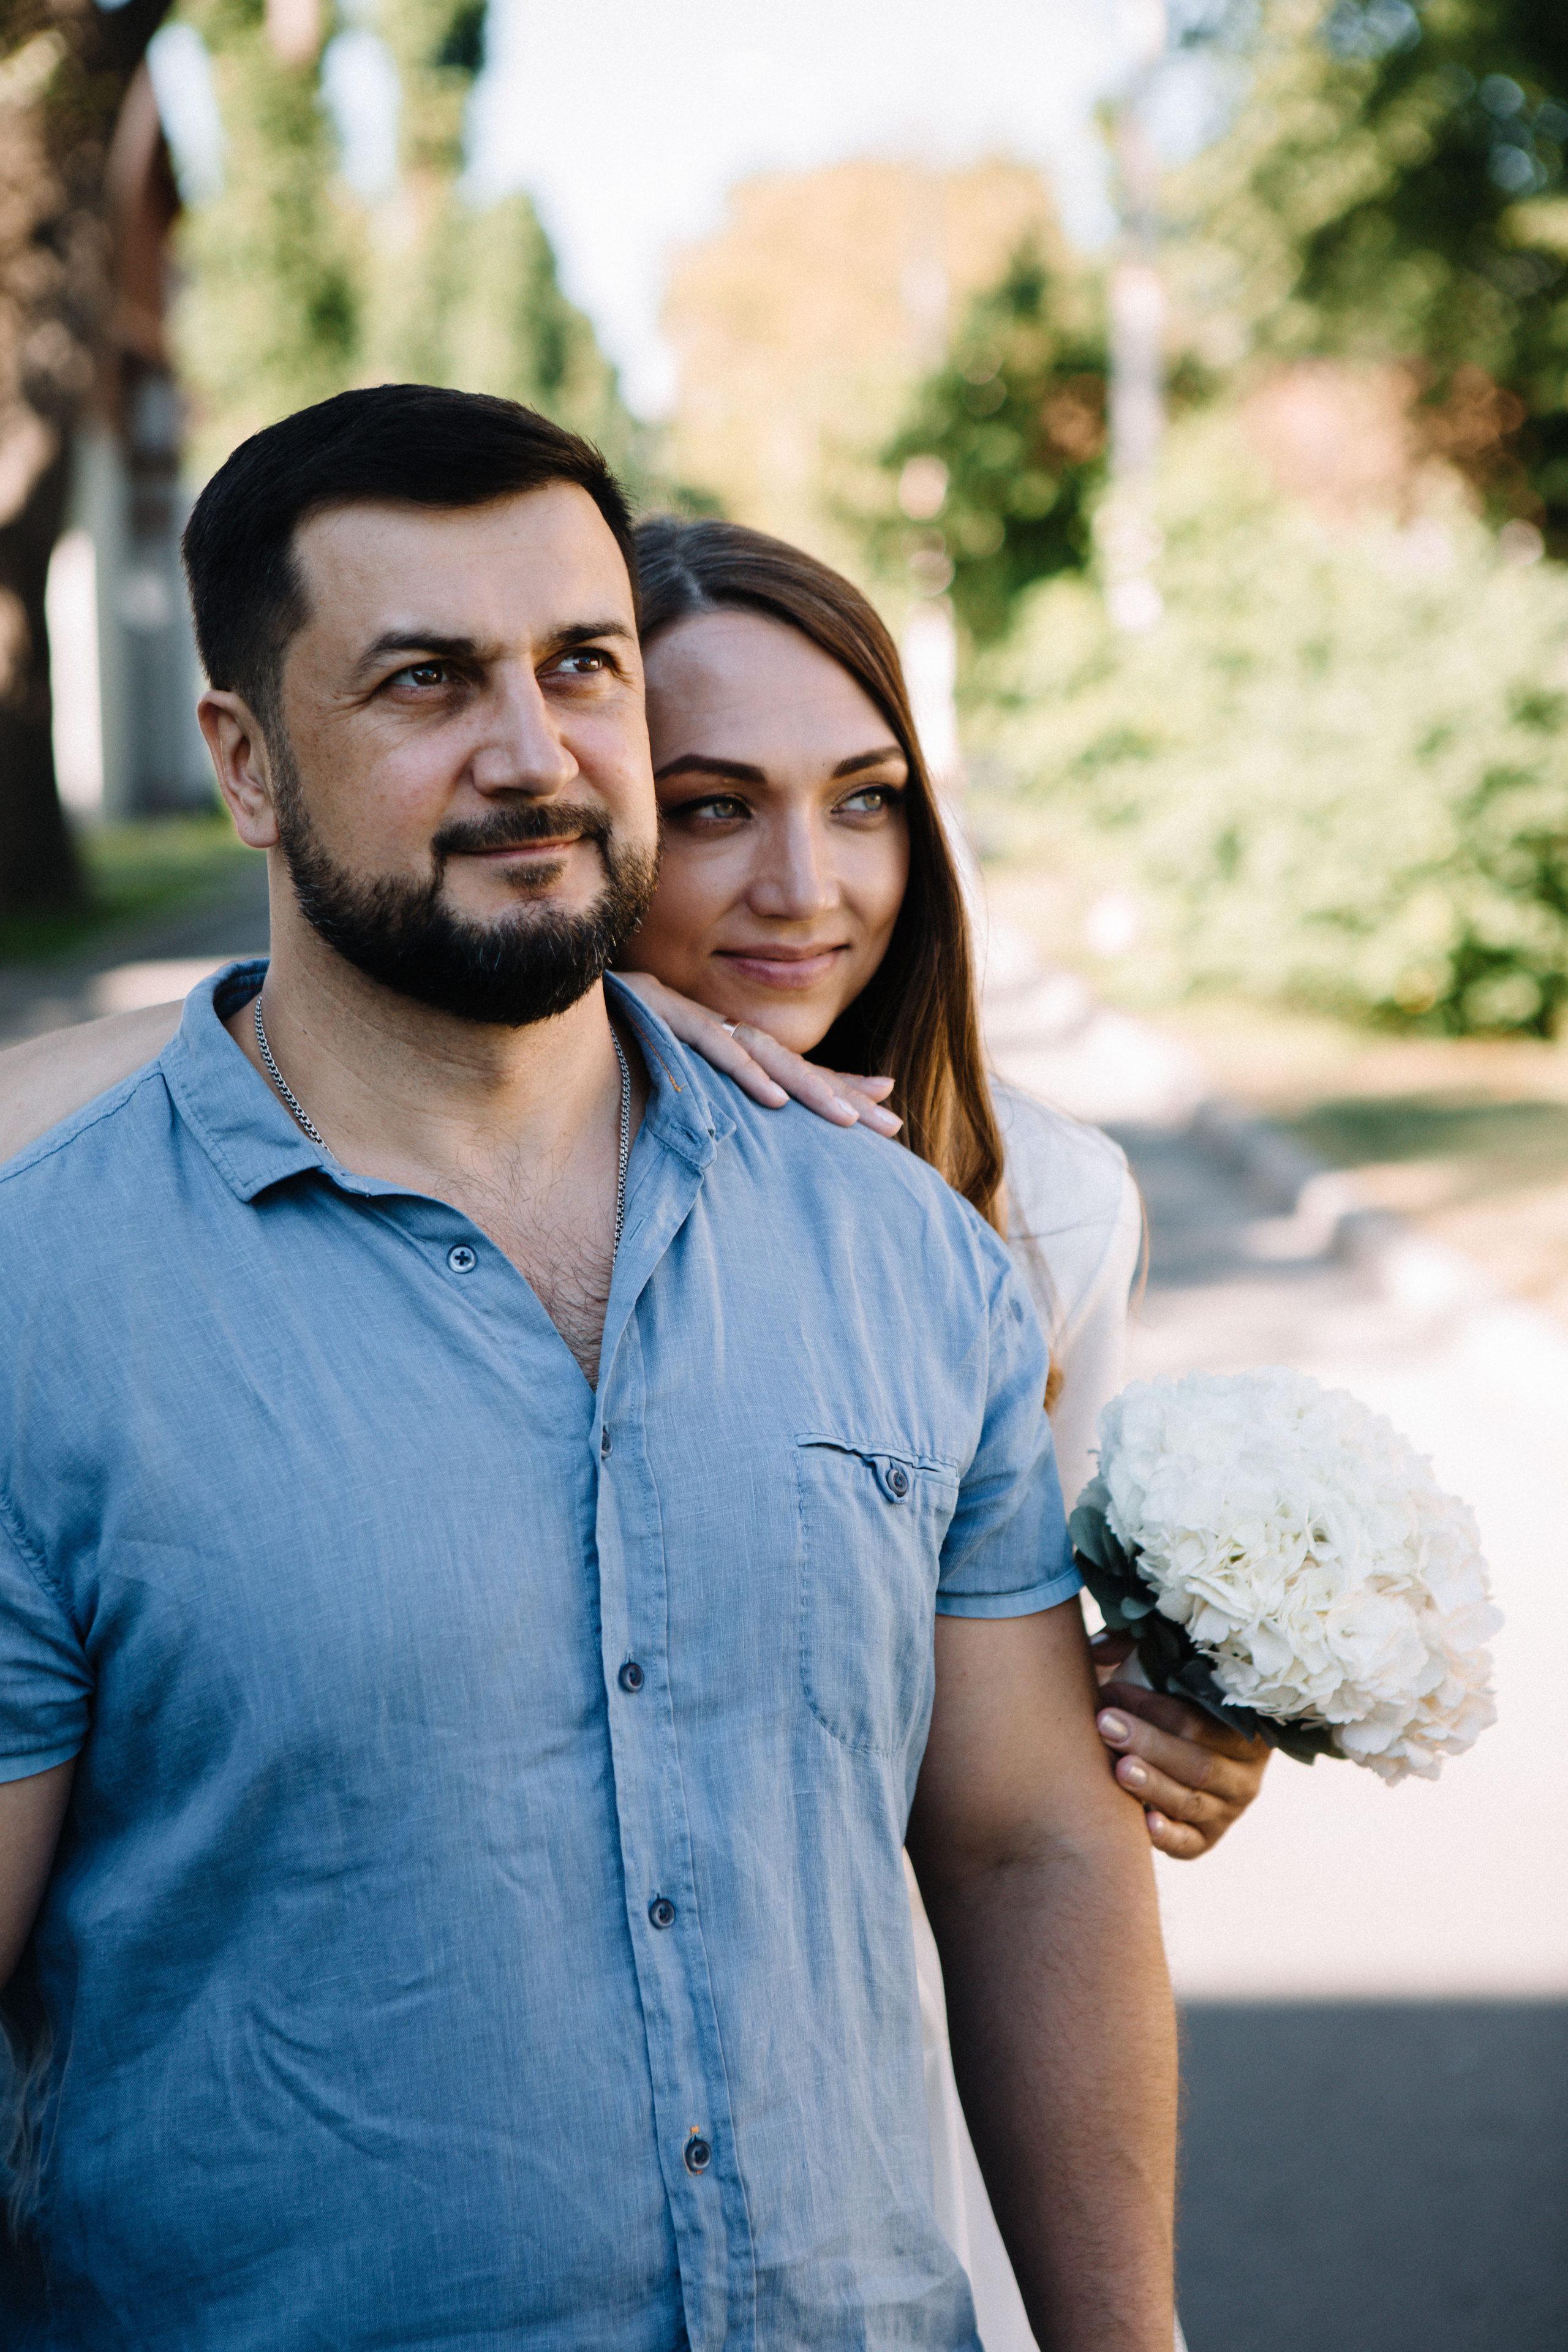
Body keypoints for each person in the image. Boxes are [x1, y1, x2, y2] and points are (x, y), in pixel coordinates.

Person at [0, 385, 1177, 2349]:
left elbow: (1029, 1844)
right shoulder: (49, 1306)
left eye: (584, 669)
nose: (533, 756)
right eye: (426, 684)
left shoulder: (908, 1258)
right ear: (246, 761)